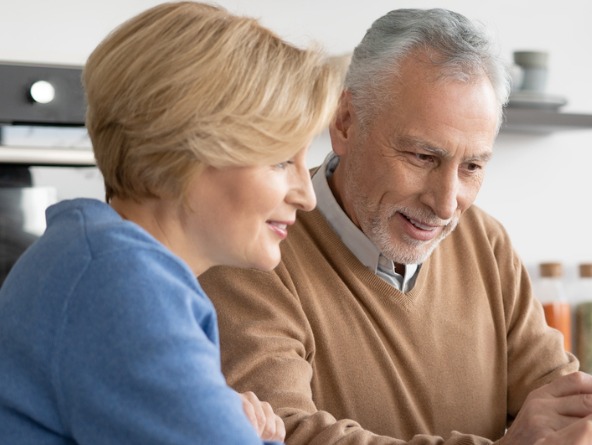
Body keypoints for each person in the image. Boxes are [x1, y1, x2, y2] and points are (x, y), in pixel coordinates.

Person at [200, 8, 592, 445]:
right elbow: (287, 433)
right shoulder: (255, 246)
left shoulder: (486, 242)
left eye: (473, 167)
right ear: (346, 122)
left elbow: (557, 395)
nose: (445, 203)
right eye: (422, 156)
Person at [0, 2, 347, 443]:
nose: (308, 195)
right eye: (280, 160)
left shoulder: (94, 258)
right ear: (183, 152)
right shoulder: (121, 284)